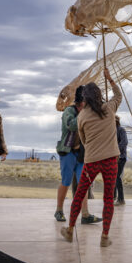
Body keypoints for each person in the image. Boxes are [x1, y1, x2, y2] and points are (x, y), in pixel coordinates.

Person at [61, 69, 122, 247]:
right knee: (109, 198)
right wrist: (110, 79)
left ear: (85, 98)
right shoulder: (109, 109)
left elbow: (84, 139)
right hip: (111, 159)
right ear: (100, 94)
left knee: (80, 194)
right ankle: (104, 237)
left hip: (92, 160)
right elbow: (118, 96)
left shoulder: (81, 117)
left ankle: (70, 230)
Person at [54, 85, 101, 224]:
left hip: (81, 154)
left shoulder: (87, 112)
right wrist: (83, 114)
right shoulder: (69, 111)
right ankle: (59, 210)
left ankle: (85, 214)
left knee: (83, 184)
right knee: (66, 181)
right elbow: (71, 125)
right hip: (68, 152)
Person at [114, 115, 128, 206]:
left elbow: (124, 142)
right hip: (112, 157)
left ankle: (121, 199)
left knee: (117, 177)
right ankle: (113, 196)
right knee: (113, 177)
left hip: (120, 157)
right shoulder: (110, 131)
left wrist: (115, 150)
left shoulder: (121, 130)